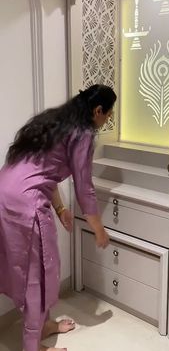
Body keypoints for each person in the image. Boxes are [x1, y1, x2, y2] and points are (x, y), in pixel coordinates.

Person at [0, 84, 117, 351]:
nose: (108, 119)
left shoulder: (55, 122)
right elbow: (84, 187)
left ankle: (44, 325)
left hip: (5, 195)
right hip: (25, 204)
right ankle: (33, 346)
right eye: (109, 114)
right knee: (36, 274)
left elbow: (44, 171)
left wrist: (61, 209)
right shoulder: (83, 133)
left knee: (32, 267)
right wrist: (98, 229)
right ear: (98, 111)